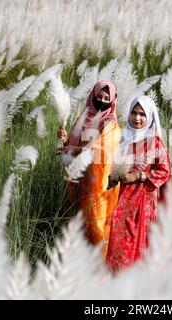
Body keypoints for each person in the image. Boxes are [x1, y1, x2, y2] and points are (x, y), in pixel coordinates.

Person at [105, 95, 172, 273]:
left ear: (150, 116)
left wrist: (139, 176)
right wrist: (114, 179)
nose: (137, 118)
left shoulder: (156, 143)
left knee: (139, 243)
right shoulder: (125, 140)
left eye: (142, 114)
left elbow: (164, 172)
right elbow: (118, 168)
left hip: (143, 203)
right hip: (124, 200)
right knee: (119, 240)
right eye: (134, 113)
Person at [56, 80, 121, 259]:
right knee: (75, 223)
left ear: (113, 101)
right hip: (77, 180)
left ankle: (97, 270)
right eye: (99, 96)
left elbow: (104, 152)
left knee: (95, 226)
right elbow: (70, 147)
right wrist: (64, 141)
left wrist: (77, 150)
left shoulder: (111, 124)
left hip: (97, 185)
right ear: (92, 96)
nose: (102, 100)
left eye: (107, 98)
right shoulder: (84, 118)